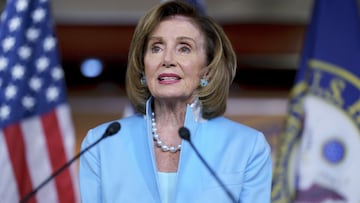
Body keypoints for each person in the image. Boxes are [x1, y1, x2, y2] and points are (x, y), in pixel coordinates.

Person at [79, 1, 272, 202]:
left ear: (206, 70)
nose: (168, 59)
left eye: (184, 48)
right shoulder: (100, 144)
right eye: (156, 48)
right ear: (143, 66)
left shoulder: (247, 146)